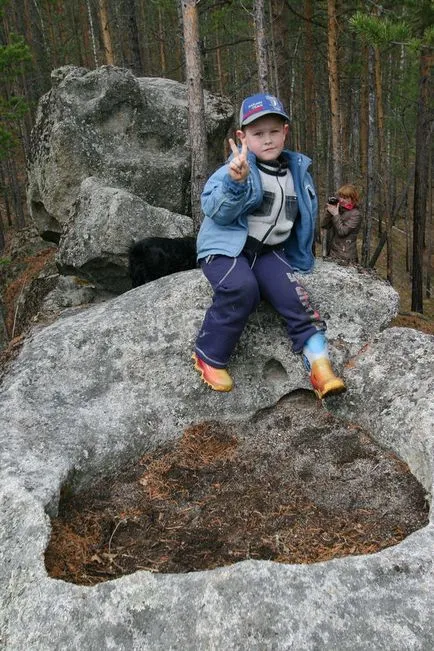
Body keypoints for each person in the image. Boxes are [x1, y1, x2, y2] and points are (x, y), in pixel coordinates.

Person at [192, 93, 345, 399]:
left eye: (274, 131)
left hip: (269, 252)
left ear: (285, 131)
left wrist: (299, 256)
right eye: (257, 134)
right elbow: (215, 210)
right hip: (226, 249)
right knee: (242, 289)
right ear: (242, 136)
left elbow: (299, 219)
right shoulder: (235, 170)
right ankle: (209, 355)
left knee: (297, 299)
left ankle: (319, 364)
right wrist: (235, 184)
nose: (267, 140)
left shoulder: (297, 172)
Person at [322, 185, 361, 263]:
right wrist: (329, 212)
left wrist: (336, 214)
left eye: (345, 198)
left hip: (347, 256)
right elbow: (325, 225)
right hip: (333, 253)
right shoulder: (339, 210)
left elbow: (342, 232)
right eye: (341, 197)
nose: (342, 200)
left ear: (353, 199)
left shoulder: (356, 214)